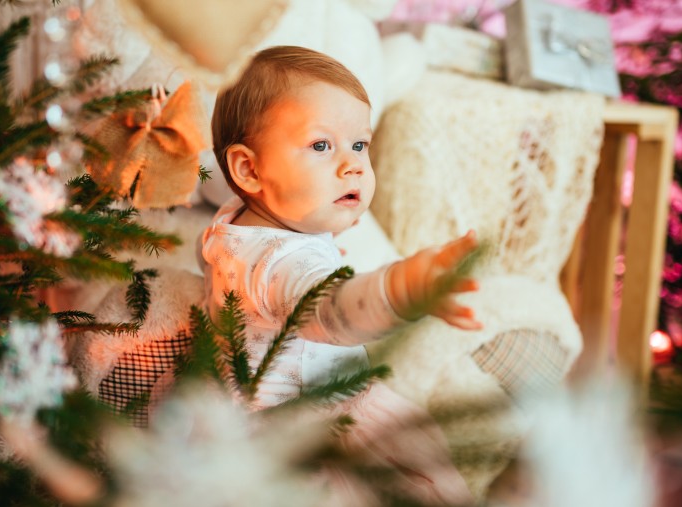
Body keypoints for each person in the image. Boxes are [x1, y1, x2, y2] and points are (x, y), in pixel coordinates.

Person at [200, 45, 479, 505]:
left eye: (360, 144)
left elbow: (208, 254)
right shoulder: (282, 265)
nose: (352, 164)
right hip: (305, 438)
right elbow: (329, 310)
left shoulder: (235, 222)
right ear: (249, 169)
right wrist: (398, 290)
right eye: (321, 145)